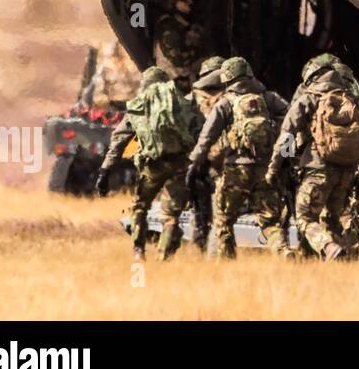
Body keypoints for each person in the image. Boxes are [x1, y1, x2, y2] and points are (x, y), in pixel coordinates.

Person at [266, 57, 359, 261]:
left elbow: (288, 134)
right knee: (334, 220)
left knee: (305, 217)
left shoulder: (309, 98)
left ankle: (327, 246)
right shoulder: (352, 100)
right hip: (346, 172)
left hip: (317, 167)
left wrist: (278, 166)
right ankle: (345, 260)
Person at [185, 57, 290, 258]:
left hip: (235, 170)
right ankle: (283, 251)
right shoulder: (269, 98)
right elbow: (291, 125)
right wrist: (284, 155)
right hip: (265, 170)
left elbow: (207, 136)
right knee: (270, 222)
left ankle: (225, 263)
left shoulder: (225, 102)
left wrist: (195, 162)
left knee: (224, 219)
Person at [95, 66, 201, 261]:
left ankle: (138, 251)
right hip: (179, 165)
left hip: (151, 166)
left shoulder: (137, 107)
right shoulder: (182, 103)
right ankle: (163, 257)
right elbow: (198, 133)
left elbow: (119, 141)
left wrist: (105, 170)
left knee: (140, 207)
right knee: (171, 215)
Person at [186, 56, 225, 254]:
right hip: (220, 160)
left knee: (198, 211)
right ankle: (214, 254)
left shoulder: (192, 97)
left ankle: (197, 248)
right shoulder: (229, 96)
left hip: (195, 160)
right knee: (220, 212)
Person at [152, 0, 210, 94]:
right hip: (174, 82)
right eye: (185, 0)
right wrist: (201, 53)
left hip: (185, 79)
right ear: (175, 2)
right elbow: (178, 59)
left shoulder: (182, 23)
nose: (189, 3)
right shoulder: (168, 26)